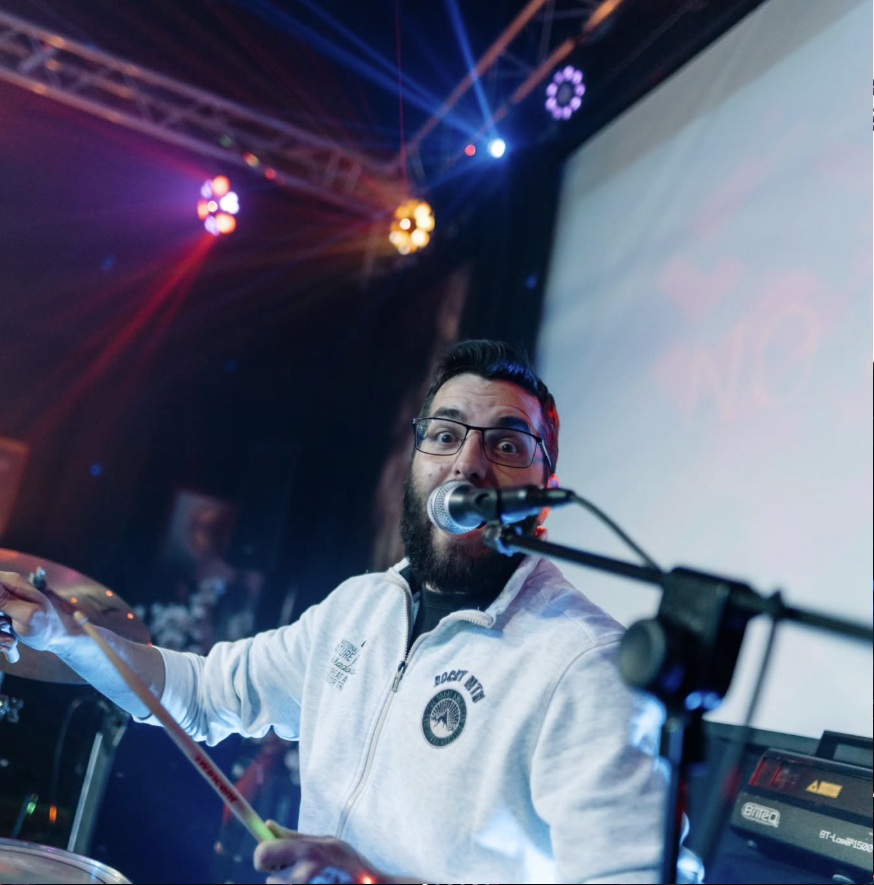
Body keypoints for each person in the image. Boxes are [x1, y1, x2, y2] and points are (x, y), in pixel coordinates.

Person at [0, 339, 674, 884]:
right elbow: (201, 695)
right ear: (415, 462)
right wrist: (67, 633)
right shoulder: (360, 608)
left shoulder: (589, 664)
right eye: (445, 435)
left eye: (506, 445)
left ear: (545, 489)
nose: (468, 463)